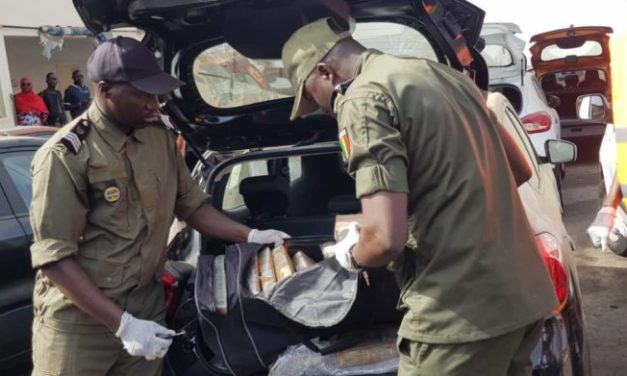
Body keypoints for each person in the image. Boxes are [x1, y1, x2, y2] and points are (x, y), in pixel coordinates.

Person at [281, 17, 558, 375]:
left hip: (458, 318)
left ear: (325, 72)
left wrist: (351, 255)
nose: (319, 109)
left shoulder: (362, 98)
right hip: (523, 299)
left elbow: (383, 240)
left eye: (310, 95)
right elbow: (519, 170)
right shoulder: (444, 75)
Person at [29, 36, 289, 376]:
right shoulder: (66, 156)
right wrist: (123, 326)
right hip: (81, 324)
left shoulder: (159, 138)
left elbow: (191, 206)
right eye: (140, 94)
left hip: (147, 311)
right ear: (105, 91)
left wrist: (250, 234)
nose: (153, 104)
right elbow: (55, 259)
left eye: (155, 93)